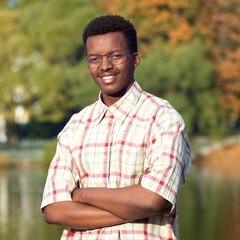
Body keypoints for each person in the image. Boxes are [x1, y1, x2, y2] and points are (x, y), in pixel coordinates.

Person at [40, 14, 191, 240]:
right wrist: (133, 208)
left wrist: (81, 195)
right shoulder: (75, 126)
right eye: (94, 59)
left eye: (115, 55)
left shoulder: (163, 119)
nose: (105, 66)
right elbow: (54, 209)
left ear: (135, 59)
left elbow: (155, 199)